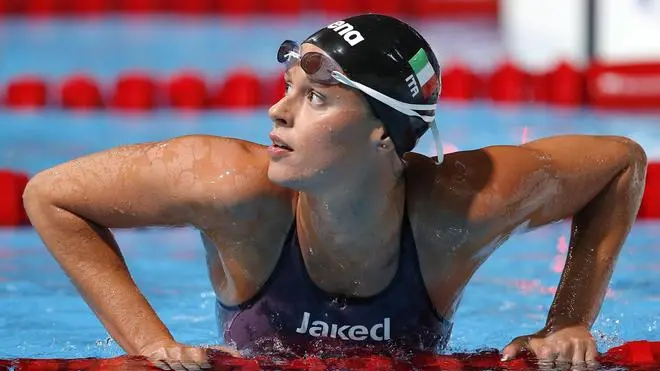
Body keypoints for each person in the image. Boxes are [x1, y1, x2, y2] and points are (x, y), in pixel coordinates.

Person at [23, 13, 647, 371]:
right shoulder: (226, 187)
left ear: (384, 133)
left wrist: (566, 323)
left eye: (314, 97)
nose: (276, 110)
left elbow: (621, 163)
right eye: (287, 86)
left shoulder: (459, 210)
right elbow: (50, 196)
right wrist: (152, 348)